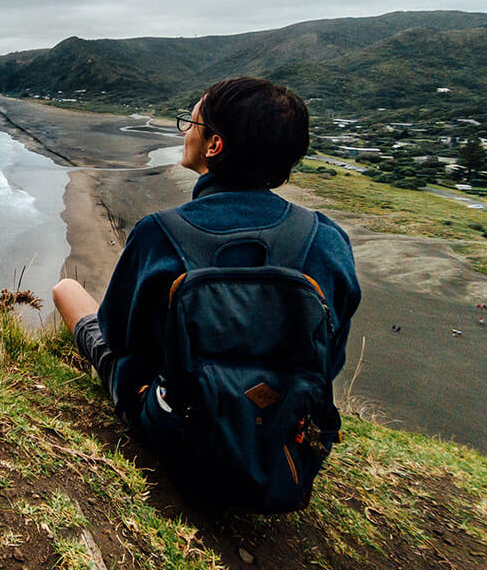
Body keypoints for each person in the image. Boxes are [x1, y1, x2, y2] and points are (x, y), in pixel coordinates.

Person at [52, 76, 360, 507]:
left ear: (214, 145)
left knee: (68, 288)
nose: (185, 131)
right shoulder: (327, 239)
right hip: (283, 441)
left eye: (189, 122)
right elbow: (333, 357)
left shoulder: (162, 233)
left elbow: (119, 337)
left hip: (176, 431)